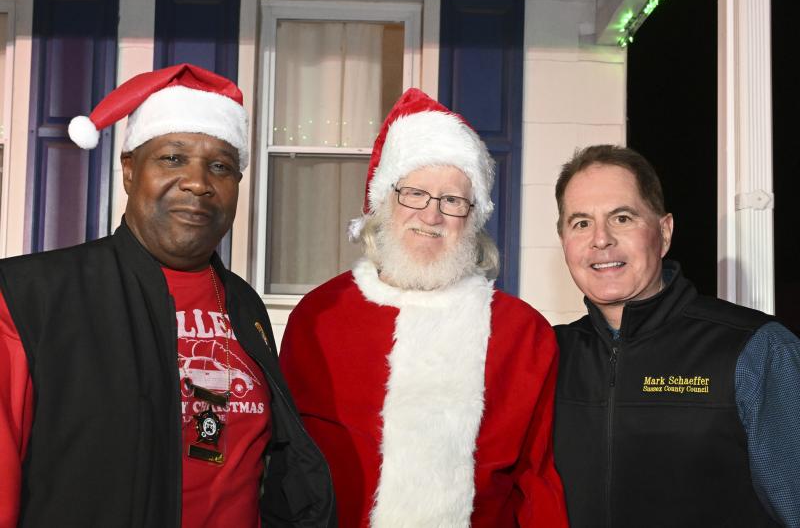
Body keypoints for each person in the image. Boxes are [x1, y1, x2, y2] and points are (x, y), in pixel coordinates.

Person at [0, 64, 335, 527]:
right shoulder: (29, 297)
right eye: (173, 158)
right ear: (130, 170)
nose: (198, 182)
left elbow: (253, 458)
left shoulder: (243, 306)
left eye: (220, 166)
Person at [278, 88, 568, 527]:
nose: (431, 216)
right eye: (414, 193)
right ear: (384, 203)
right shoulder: (320, 316)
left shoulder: (523, 334)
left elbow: (537, 484)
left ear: (473, 218)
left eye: (452, 200)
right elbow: (285, 466)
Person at [552, 144, 800, 527]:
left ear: (664, 232)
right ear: (564, 240)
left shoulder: (755, 350)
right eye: (581, 223)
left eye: (622, 218)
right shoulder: (549, 355)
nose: (600, 239)